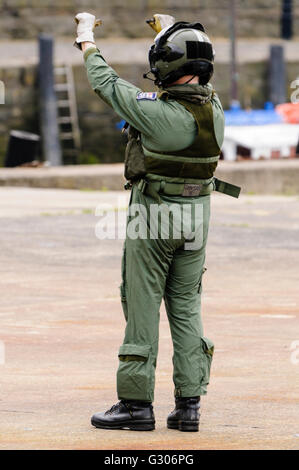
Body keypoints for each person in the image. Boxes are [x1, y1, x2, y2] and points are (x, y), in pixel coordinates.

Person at [74, 12, 240, 432]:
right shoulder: (215, 109)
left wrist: (87, 40)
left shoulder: (158, 116)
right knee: (186, 309)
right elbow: (194, 74)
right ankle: (189, 406)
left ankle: (135, 404)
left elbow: (106, 85)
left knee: (142, 304)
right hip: (197, 220)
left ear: (167, 66)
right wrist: (170, 32)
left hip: (153, 219)